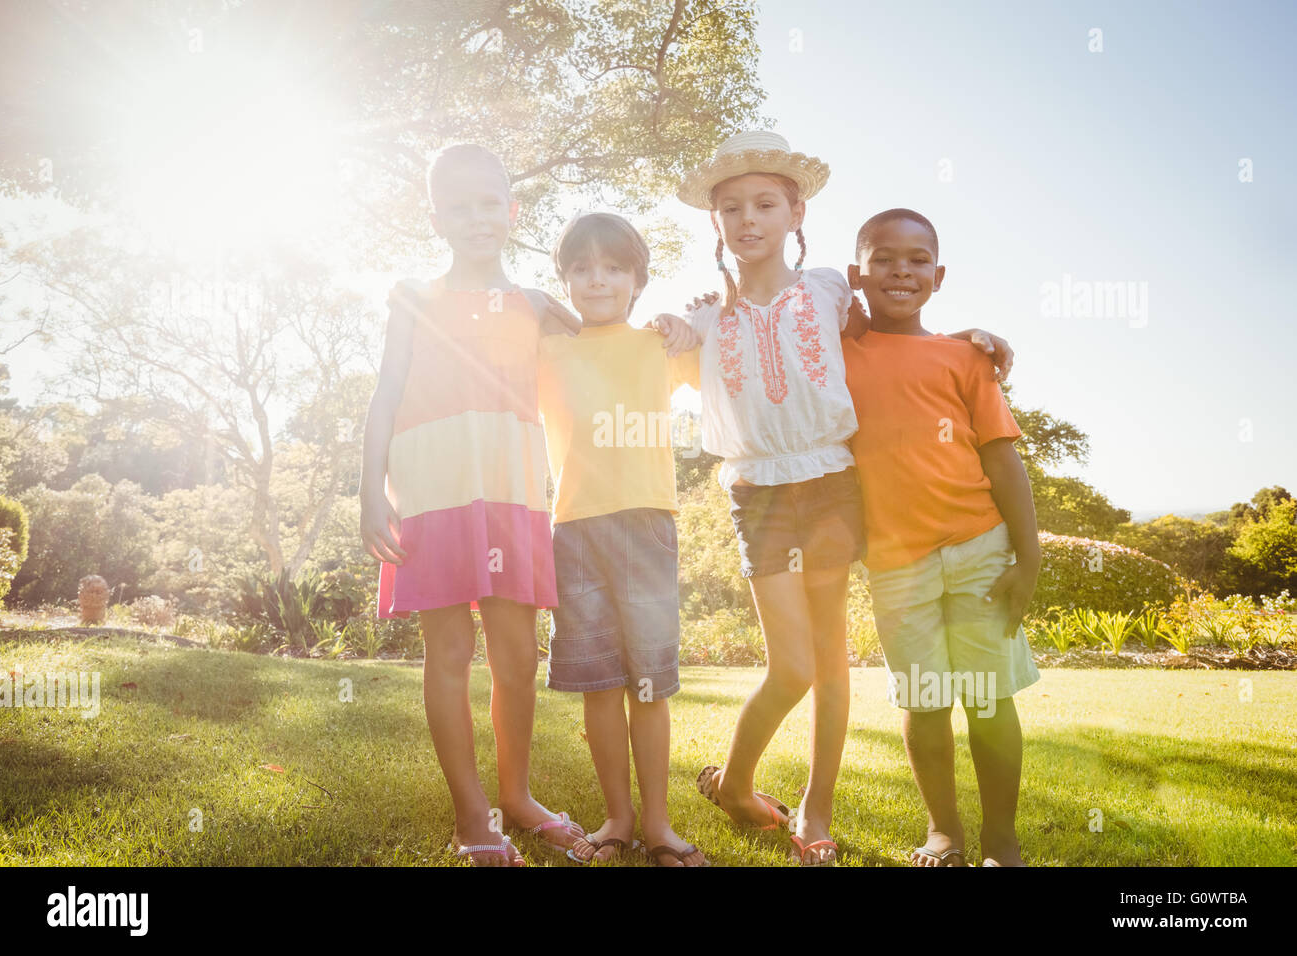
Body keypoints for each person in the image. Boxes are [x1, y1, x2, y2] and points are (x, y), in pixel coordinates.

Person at [652, 131, 1014, 865]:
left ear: (796, 212)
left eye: (764, 204)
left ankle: (815, 810)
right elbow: (650, 370)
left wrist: (973, 336)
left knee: (831, 662)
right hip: (758, 496)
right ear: (715, 223)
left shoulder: (826, 289)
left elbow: (895, 338)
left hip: (831, 489)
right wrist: (660, 330)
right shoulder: (703, 320)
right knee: (791, 667)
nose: (748, 219)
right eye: (731, 208)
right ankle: (737, 785)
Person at [358, 143, 587, 866]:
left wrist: (687, 324)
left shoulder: (540, 307)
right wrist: (370, 487)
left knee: (518, 659)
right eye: (459, 206)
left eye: (490, 202)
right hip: (433, 490)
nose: (477, 217)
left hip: (514, 491)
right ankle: (472, 819)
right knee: (450, 653)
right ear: (436, 218)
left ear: (513, 211)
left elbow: (615, 348)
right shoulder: (414, 297)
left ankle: (516, 796)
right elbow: (387, 390)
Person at [842, 207, 1040, 867]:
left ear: (939, 274)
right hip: (896, 562)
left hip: (981, 549)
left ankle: (1001, 840)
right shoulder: (837, 357)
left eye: (918, 259)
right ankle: (944, 833)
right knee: (926, 701)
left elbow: (1003, 461)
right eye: (884, 257)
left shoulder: (966, 357)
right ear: (856, 274)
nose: (902, 269)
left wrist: (1028, 557)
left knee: (988, 699)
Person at [537, 211, 708, 866]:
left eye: (613, 267)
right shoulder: (548, 350)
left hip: (646, 525)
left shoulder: (656, 344)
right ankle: (617, 820)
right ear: (566, 279)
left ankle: (659, 827)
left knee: (648, 685)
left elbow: (722, 350)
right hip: (576, 527)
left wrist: (687, 323)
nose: (597, 279)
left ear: (637, 279)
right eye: (581, 268)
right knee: (600, 685)